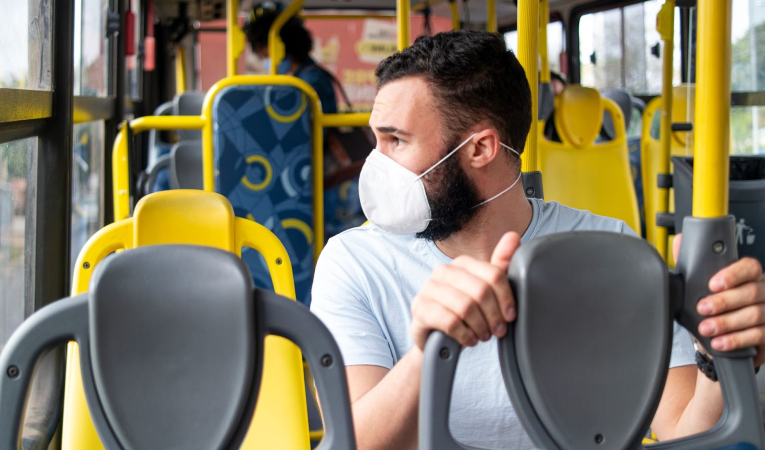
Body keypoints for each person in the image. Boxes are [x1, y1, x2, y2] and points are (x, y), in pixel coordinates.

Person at [310, 30, 765, 450]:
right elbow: (352, 442)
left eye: (396, 141)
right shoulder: (354, 262)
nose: (376, 164)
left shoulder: (610, 251)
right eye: (377, 140)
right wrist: (429, 352)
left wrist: (718, 359)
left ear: (479, 149)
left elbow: (683, 432)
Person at [243, 2, 338, 114]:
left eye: (267, 56)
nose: (268, 62)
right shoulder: (302, 77)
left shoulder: (311, 81)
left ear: (282, 46)